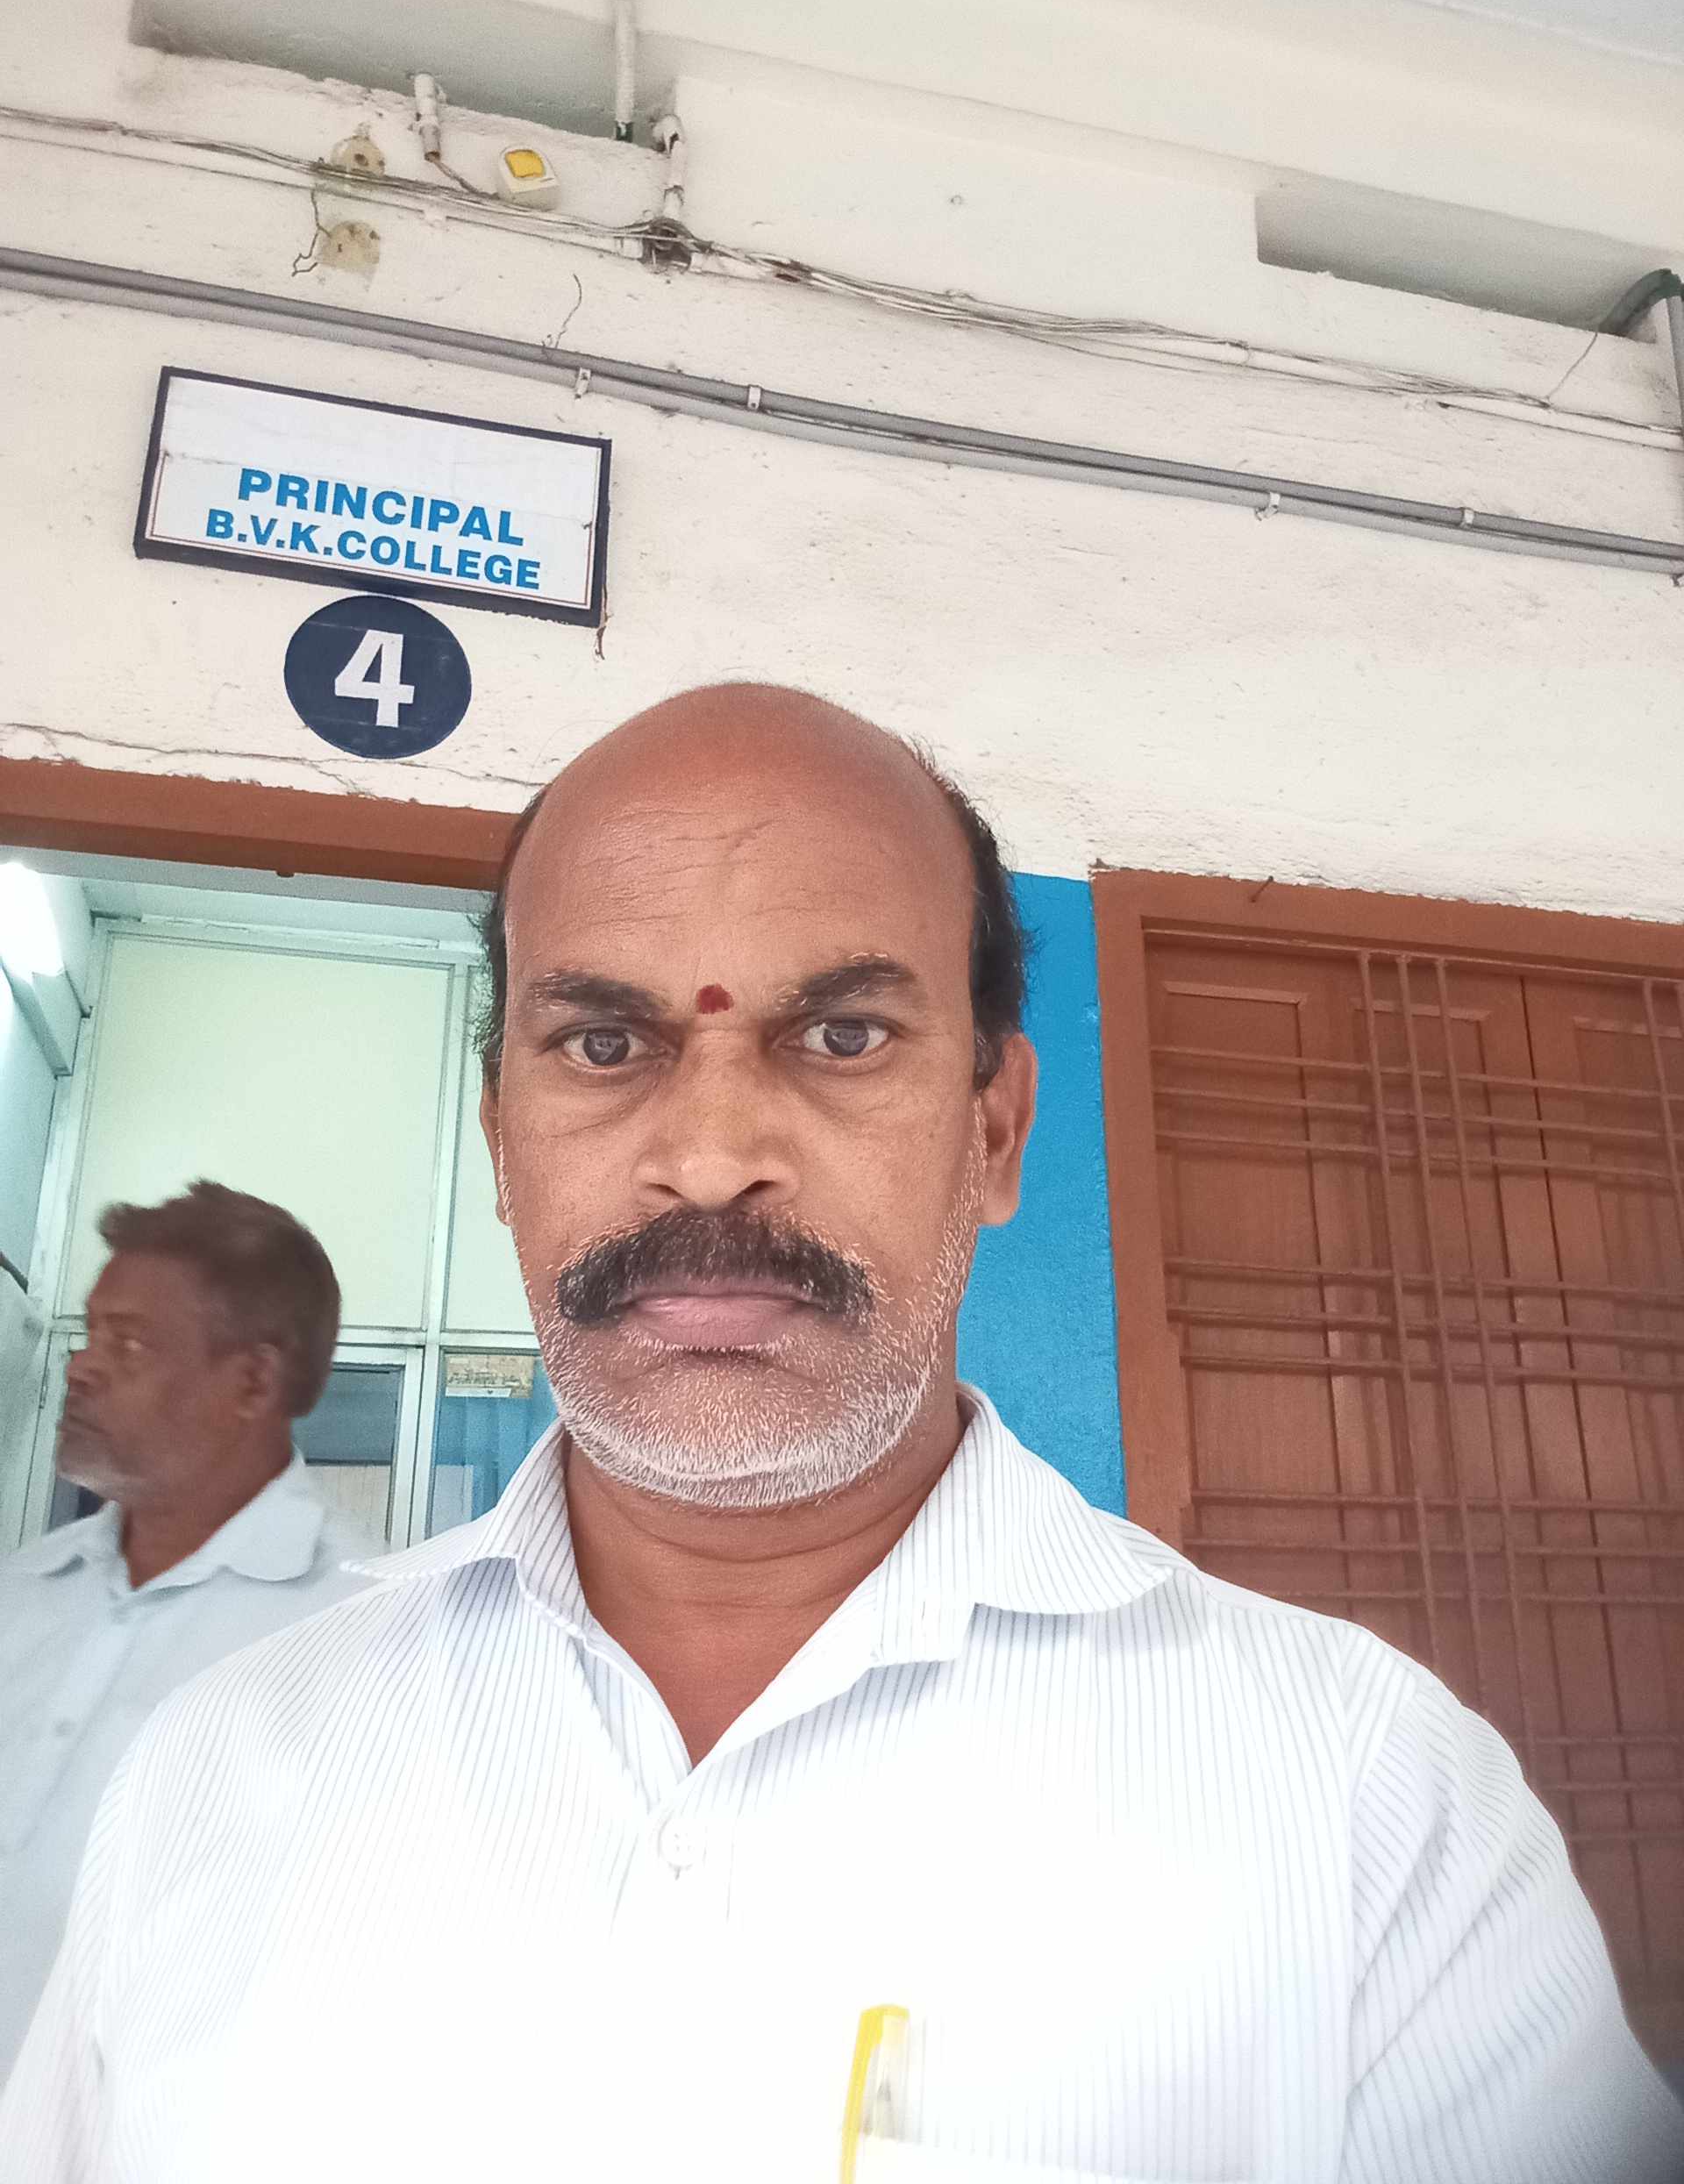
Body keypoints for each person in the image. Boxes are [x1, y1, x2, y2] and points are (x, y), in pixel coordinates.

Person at [4, 686, 1680, 2184]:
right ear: (504, 1146)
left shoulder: (1367, 1800)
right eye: (604, 1043)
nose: (710, 1153)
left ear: (995, 1133)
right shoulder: (223, 1760)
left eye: (843, 1036)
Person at [0, 1181, 380, 2082]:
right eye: (90, 1334)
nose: (81, 1369)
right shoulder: (21, 1594)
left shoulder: (364, 1634)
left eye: (129, 1342)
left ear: (251, 1382)